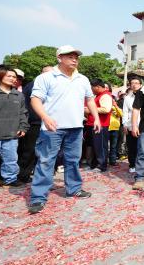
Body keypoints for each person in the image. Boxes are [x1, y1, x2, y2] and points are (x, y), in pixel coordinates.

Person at [28, 45, 101, 214]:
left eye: (76, 56)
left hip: (76, 126)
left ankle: (74, 188)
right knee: (46, 161)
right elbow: (35, 100)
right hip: (52, 128)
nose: (74, 59)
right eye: (70, 56)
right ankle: (38, 197)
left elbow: (90, 100)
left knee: (73, 160)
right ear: (59, 58)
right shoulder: (46, 77)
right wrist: (45, 117)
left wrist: (95, 118)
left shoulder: (82, 79)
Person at [0, 66, 29, 187]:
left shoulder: (18, 95)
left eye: (14, 77)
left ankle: (10, 179)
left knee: (11, 159)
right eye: (9, 76)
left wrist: (23, 127)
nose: (12, 78)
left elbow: (23, 113)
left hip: (12, 134)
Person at [17, 65, 53, 183]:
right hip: (34, 122)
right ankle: (23, 175)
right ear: (42, 73)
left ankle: (33, 173)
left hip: (44, 122)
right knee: (29, 150)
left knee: (42, 151)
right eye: (47, 73)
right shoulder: (35, 85)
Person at [85, 79, 112, 172]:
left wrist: (90, 109)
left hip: (102, 124)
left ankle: (102, 165)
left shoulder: (105, 95)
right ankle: (95, 164)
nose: (91, 90)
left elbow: (106, 109)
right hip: (94, 124)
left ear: (98, 87)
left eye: (92, 87)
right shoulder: (98, 95)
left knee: (100, 146)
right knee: (95, 145)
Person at [122, 77, 142, 173]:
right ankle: (132, 164)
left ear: (140, 85)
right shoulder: (127, 98)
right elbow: (125, 112)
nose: (134, 85)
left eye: (136, 83)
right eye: (132, 83)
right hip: (131, 125)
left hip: (143, 125)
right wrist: (124, 124)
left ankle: (142, 165)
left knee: (143, 147)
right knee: (132, 146)